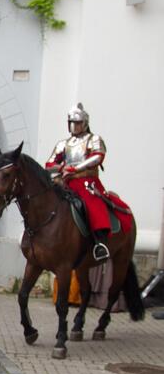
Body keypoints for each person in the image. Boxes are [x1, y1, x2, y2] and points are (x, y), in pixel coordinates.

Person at [45, 103, 130, 261]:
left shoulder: (94, 139)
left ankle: (99, 243)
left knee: (92, 204)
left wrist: (76, 169)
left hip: (87, 182)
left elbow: (98, 156)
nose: (74, 126)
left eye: (77, 123)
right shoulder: (63, 144)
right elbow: (49, 165)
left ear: (84, 123)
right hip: (65, 182)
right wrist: (61, 167)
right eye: (72, 123)